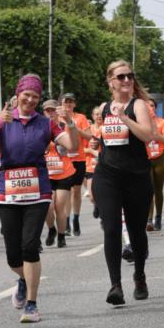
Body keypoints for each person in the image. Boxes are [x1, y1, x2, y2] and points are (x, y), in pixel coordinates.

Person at [0, 74, 79, 322]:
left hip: (38, 190)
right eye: (26, 95)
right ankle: (23, 278)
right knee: (13, 254)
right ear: (18, 94)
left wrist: (71, 124)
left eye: (35, 96)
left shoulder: (46, 123)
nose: (30, 100)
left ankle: (31, 304)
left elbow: (71, 146)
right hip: (8, 191)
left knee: (30, 245)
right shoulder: (4, 120)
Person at [92, 61, 154, 305]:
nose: (127, 80)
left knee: (137, 231)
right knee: (111, 229)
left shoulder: (138, 105)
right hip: (107, 174)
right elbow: (109, 137)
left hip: (137, 175)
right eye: (121, 77)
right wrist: (98, 143)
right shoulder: (104, 107)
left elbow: (147, 136)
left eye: (130, 76)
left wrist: (125, 119)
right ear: (111, 82)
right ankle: (115, 285)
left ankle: (139, 275)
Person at [42, 99, 76, 248]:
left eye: (53, 110)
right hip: (47, 174)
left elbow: (71, 146)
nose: (50, 113)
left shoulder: (64, 127)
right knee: (47, 207)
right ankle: (51, 230)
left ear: (58, 111)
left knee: (59, 206)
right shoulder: (40, 128)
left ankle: (62, 235)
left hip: (64, 172)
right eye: (47, 111)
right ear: (43, 113)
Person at [59, 93, 92, 236]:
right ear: (61, 104)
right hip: (64, 160)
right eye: (66, 102)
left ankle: (76, 219)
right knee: (67, 191)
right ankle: (66, 222)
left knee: (76, 191)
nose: (68, 105)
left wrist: (74, 127)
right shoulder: (58, 119)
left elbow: (89, 136)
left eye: (71, 102)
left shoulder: (81, 118)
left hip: (78, 158)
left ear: (74, 104)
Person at [146, 99, 164, 231]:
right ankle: (149, 220)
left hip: (160, 158)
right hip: (145, 159)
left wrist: (156, 136)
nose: (149, 108)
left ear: (155, 108)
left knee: (157, 189)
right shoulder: (140, 123)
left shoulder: (163, 123)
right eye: (146, 106)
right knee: (148, 190)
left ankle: (159, 217)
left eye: (151, 105)